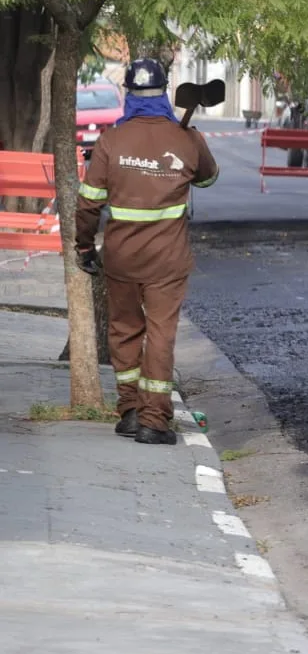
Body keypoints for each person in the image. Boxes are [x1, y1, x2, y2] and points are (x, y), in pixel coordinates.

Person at [74, 58, 219, 446]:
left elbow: (89, 203)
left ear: (129, 95)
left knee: (123, 331)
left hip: (121, 258)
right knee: (160, 333)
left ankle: (130, 411)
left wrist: (84, 246)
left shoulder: (111, 141)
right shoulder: (185, 137)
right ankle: (154, 419)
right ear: (164, 92)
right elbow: (209, 178)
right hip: (167, 262)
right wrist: (193, 142)